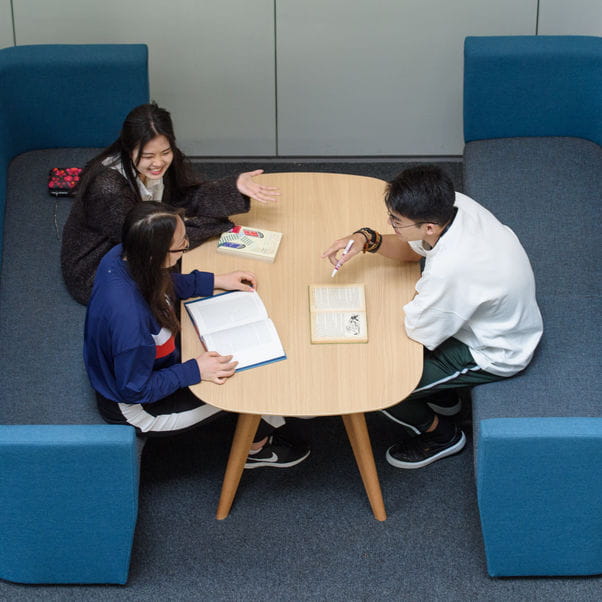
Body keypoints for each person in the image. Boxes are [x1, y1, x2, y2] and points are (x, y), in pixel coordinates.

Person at [322, 165, 543, 469]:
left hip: (495, 350)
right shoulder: (457, 206)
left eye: (395, 221)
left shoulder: (452, 269)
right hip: (476, 317)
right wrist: (366, 239)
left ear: (428, 227)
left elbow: (416, 333)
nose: (390, 224)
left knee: (380, 386)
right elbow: (415, 251)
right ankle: (443, 392)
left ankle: (443, 436)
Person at [84, 201, 309, 469]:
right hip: (139, 406)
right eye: (182, 244)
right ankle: (255, 449)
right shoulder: (129, 319)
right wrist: (195, 369)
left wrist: (214, 281)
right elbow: (135, 389)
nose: (187, 245)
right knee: (251, 391)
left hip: (150, 362)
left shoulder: (124, 254)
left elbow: (161, 283)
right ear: (155, 252)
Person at [61, 102, 279, 305]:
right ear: (129, 151)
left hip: (143, 239)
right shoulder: (108, 188)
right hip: (97, 269)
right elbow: (146, 244)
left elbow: (183, 197)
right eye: (148, 156)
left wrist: (234, 185)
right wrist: (211, 229)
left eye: (165, 152)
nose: (158, 162)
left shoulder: (161, 162)